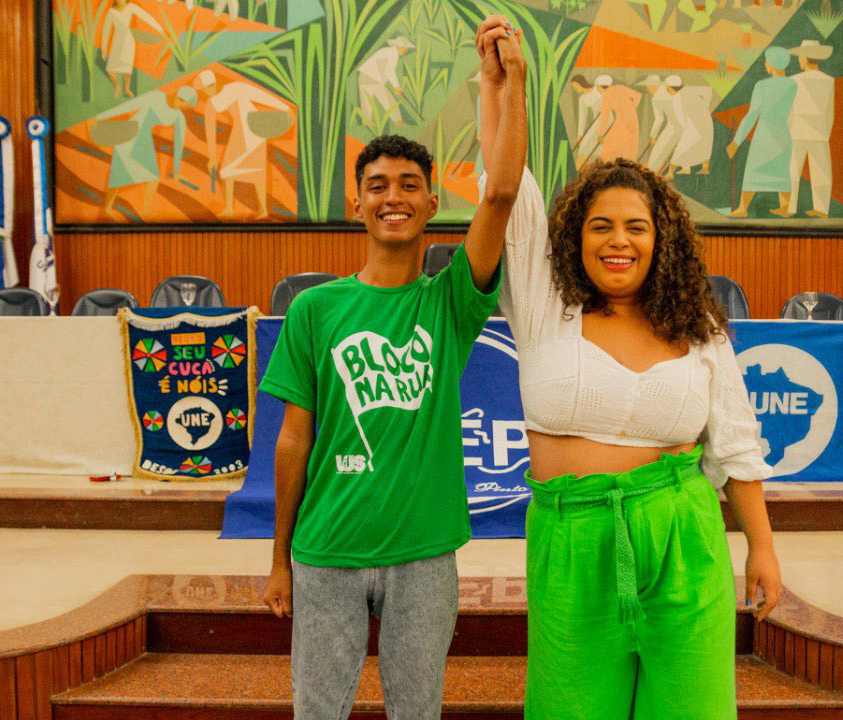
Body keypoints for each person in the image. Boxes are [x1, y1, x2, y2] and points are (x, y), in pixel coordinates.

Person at [259, 15, 527, 720]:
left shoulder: (451, 303)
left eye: (410, 184)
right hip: (325, 552)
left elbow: (499, 194)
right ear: (357, 204)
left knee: (419, 711)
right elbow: (293, 441)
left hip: (423, 557)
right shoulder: (316, 310)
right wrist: (279, 557)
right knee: (318, 712)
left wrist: (510, 83)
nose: (393, 196)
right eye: (377, 184)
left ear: (433, 205)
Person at [479, 108, 781, 718]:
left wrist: (763, 548)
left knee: (691, 708)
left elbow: (735, 443)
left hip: (683, 535)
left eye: (636, 228)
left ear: (660, 239)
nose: (619, 241)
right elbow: (508, 187)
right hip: (574, 540)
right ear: (574, 237)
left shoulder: (697, 326)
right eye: (601, 226)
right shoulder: (545, 306)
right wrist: (503, 87)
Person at [193, 69, 294, 219]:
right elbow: (210, 130)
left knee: (234, 170)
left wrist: (285, 108)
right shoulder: (212, 103)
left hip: (253, 129)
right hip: (244, 132)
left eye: (203, 91)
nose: (204, 94)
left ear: (209, 86)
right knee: (239, 171)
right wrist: (212, 156)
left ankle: (237, 209)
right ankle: (249, 209)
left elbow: (261, 96)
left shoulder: (236, 87)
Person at [91, 85, 197, 221]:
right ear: (180, 97)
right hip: (129, 133)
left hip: (143, 140)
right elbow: (129, 106)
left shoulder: (178, 116)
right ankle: (107, 208)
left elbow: (179, 143)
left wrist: (176, 172)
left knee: (153, 179)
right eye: (185, 105)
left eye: (186, 108)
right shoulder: (156, 97)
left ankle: (145, 211)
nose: (183, 109)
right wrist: (100, 117)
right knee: (119, 173)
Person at [727, 46, 797, 217]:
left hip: (765, 136)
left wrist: (736, 142)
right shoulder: (793, 84)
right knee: (781, 172)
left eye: (767, 61)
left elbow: (751, 115)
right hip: (783, 135)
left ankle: (743, 209)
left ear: (771, 63)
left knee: (753, 171)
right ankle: (785, 208)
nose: (765, 64)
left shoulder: (762, 85)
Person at [785, 40, 835, 217]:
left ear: (805, 58)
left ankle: (790, 208)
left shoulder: (794, 81)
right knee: (822, 172)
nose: (799, 59)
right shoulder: (829, 81)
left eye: (800, 56)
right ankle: (822, 209)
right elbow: (830, 111)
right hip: (820, 132)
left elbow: (790, 110)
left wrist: (788, 130)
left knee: (792, 171)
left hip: (797, 130)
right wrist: (825, 132)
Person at [100, 0, 160, 99]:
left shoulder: (131, 7)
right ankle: (117, 86)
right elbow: (106, 30)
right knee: (110, 70)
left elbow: (146, 17)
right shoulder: (111, 11)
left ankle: (127, 89)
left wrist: (160, 30)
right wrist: (104, 49)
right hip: (116, 42)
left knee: (127, 69)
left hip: (128, 41)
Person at [357, 37, 414, 126]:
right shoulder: (393, 53)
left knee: (367, 100)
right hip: (372, 78)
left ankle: (367, 121)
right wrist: (396, 86)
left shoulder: (388, 51)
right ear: (401, 47)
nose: (406, 51)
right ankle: (397, 120)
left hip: (364, 76)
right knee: (387, 99)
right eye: (406, 48)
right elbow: (389, 71)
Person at [667, 75, 716, 175]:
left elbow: (681, 120)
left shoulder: (677, 98)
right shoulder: (689, 89)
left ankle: (670, 173)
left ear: (671, 87)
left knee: (680, 149)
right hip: (706, 121)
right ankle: (696, 168)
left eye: (667, 88)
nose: (667, 91)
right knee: (704, 147)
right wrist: (706, 107)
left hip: (694, 126)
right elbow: (708, 90)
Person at [639, 75, 680, 177]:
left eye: (648, 86)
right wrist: (653, 136)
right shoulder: (657, 97)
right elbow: (660, 119)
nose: (647, 89)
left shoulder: (660, 97)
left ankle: (653, 174)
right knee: (657, 153)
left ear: (654, 85)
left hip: (676, 127)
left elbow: (659, 119)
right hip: (671, 126)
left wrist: (653, 136)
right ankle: (653, 174)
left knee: (660, 154)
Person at [596, 75, 643, 162]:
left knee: (612, 145)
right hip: (633, 117)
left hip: (622, 120)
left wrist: (601, 134)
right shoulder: (620, 87)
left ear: (599, 86)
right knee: (630, 142)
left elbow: (605, 117)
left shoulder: (606, 97)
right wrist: (632, 108)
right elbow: (638, 96)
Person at [570, 75, 604, 169]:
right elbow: (582, 117)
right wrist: (580, 134)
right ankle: (577, 171)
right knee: (584, 146)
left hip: (606, 121)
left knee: (602, 150)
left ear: (581, 83)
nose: (575, 88)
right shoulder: (582, 98)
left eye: (575, 85)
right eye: (573, 87)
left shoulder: (597, 89)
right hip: (596, 122)